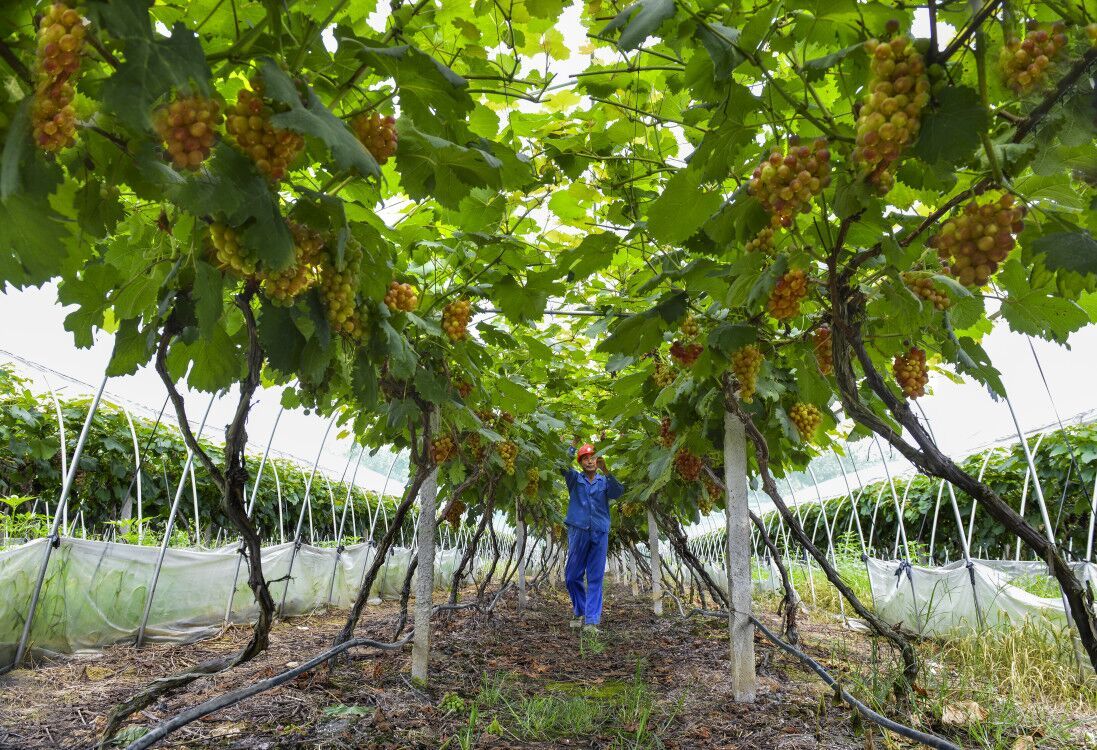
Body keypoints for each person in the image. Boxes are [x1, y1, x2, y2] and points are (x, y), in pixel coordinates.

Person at [561, 441, 624, 634]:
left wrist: (607, 471)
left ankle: (591, 621)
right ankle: (580, 610)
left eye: (593, 458)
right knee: (572, 576)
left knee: (595, 576)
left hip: (599, 531)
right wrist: (572, 446)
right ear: (580, 463)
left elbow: (618, 492)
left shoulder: (604, 481)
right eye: (585, 458)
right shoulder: (574, 478)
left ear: (598, 461)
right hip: (578, 530)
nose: (589, 461)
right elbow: (562, 466)